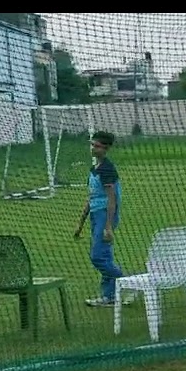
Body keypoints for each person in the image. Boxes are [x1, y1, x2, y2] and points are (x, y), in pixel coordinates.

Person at [74, 130, 128, 307]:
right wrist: (80, 224)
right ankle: (110, 296)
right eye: (92, 145)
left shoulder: (107, 169)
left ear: (105, 149)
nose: (93, 148)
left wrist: (108, 226)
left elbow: (111, 199)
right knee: (105, 257)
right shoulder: (94, 169)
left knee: (97, 256)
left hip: (105, 215)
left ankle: (129, 282)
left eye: (96, 146)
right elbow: (91, 197)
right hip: (95, 215)